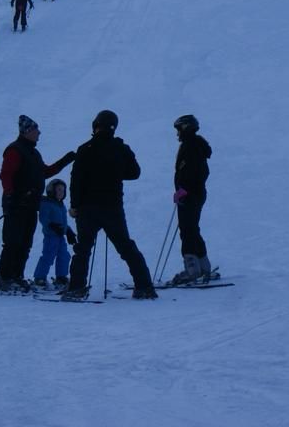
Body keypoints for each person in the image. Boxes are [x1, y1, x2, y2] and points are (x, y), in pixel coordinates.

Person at [63, 110, 157, 301]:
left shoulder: (85, 149)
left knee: (83, 249)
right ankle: (144, 286)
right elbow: (134, 173)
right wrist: (115, 170)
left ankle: (76, 289)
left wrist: (74, 205)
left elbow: (76, 180)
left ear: (95, 125)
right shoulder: (120, 148)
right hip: (112, 206)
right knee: (126, 246)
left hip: (87, 208)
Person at [0, 115, 76, 292]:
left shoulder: (32, 152)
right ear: (28, 131)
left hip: (31, 205)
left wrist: (65, 160)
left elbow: (44, 172)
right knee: (12, 241)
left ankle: (17, 276)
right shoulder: (15, 150)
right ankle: (4, 277)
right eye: (36, 130)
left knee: (25, 242)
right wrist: (10, 196)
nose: (39, 133)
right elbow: (6, 175)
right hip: (16, 204)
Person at [168, 114, 215, 285]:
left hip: (190, 195)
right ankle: (204, 266)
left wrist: (184, 190)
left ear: (186, 128)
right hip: (196, 193)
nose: (177, 133)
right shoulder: (196, 145)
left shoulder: (191, 146)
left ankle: (192, 270)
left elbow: (194, 172)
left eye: (179, 129)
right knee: (192, 229)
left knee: (187, 230)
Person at [32, 178, 75, 289]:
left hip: (60, 236)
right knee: (48, 256)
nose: (61, 192)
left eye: (63, 190)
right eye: (59, 190)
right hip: (51, 236)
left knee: (64, 256)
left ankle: (61, 277)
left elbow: (63, 222)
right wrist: (51, 225)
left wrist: (68, 231)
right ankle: (39, 277)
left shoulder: (61, 205)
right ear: (51, 191)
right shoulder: (46, 203)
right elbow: (43, 218)